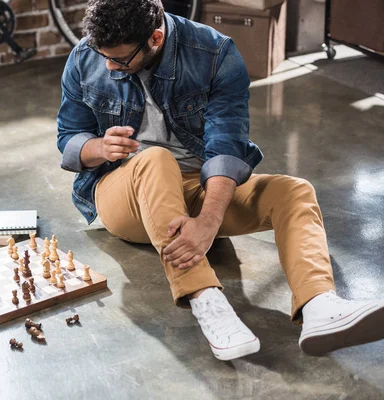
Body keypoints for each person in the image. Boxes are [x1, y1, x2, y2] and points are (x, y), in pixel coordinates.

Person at [56, 0, 384, 361]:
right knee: (156, 159)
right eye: (104, 56)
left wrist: (208, 222)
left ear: (155, 37)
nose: (108, 65)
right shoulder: (85, 56)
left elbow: (227, 146)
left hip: (197, 185)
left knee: (294, 191)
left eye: (119, 60)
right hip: (123, 192)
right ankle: (206, 300)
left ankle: (320, 305)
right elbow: (69, 137)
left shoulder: (214, 53)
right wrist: (98, 147)